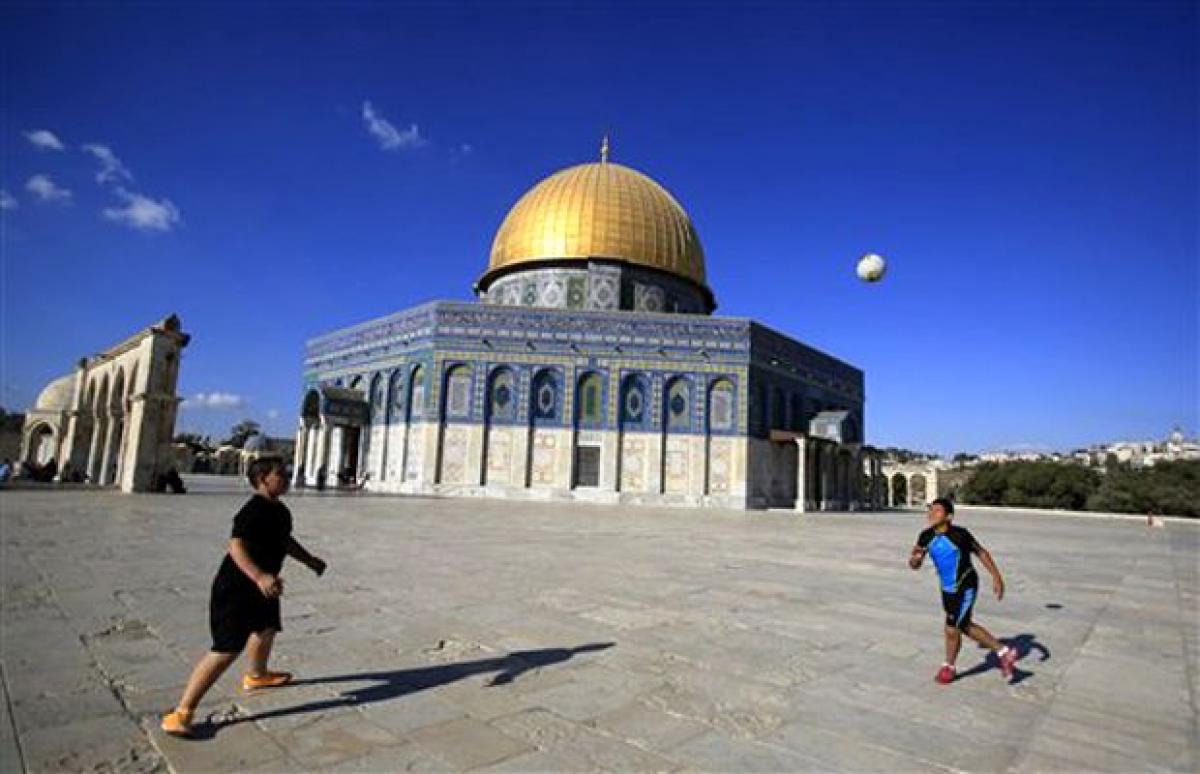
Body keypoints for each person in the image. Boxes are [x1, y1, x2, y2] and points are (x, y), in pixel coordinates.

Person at [160, 458, 327, 737]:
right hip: (238, 586)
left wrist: (309, 561)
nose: (286, 477)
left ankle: (257, 675)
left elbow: (285, 541)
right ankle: (183, 712)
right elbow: (236, 546)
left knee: (266, 628)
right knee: (226, 649)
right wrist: (260, 576)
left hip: (265, 585)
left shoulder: (280, 511)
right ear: (262, 479)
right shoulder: (253, 510)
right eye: (280, 474)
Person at [909, 497, 1018, 684]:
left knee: (960, 625)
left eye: (937, 510)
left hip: (965, 584)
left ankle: (1003, 652)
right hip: (947, 588)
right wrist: (915, 561)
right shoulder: (925, 536)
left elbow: (981, 553)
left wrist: (996, 577)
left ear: (949, 516)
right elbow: (914, 562)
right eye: (930, 510)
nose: (931, 514)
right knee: (952, 627)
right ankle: (951, 666)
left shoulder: (960, 535)